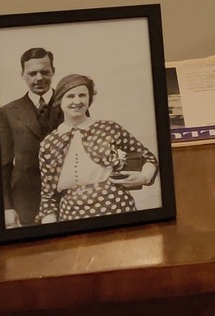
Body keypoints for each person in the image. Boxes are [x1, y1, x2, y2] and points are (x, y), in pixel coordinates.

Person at [34, 75, 159, 225]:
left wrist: (144, 177)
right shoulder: (48, 143)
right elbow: (48, 196)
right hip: (72, 215)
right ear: (59, 100)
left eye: (82, 95)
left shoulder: (109, 128)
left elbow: (148, 158)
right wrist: (51, 228)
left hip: (116, 206)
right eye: (70, 96)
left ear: (89, 99)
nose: (77, 101)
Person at [0, 46, 63, 229]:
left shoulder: (72, 104)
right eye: (32, 73)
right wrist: (7, 207)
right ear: (22, 75)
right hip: (25, 199)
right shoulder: (7, 112)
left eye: (45, 72)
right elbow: (3, 163)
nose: (39, 78)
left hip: (67, 194)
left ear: (53, 71)